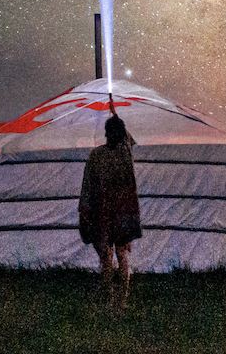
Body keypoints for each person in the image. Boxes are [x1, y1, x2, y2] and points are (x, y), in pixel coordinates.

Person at [79, 112, 142, 306]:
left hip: (103, 212)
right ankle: (122, 301)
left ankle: (109, 299)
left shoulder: (96, 155)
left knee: (106, 257)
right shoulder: (125, 154)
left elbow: (88, 186)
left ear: (106, 133)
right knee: (122, 255)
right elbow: (131, 140)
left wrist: (85, 211)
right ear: (122, 133)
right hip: (122, 212)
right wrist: (115, 113)